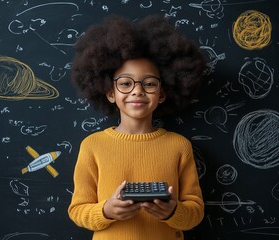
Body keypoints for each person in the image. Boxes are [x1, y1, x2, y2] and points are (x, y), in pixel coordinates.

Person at [68, 14, 206, 240]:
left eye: (149, 83)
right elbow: (77, 210)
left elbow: (195, 212)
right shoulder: (92, 146)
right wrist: (106, 211)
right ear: (110, 92)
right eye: (125, 83)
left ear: (162, 93)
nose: (137, 91)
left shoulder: (179, 146)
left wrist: (173, 211)